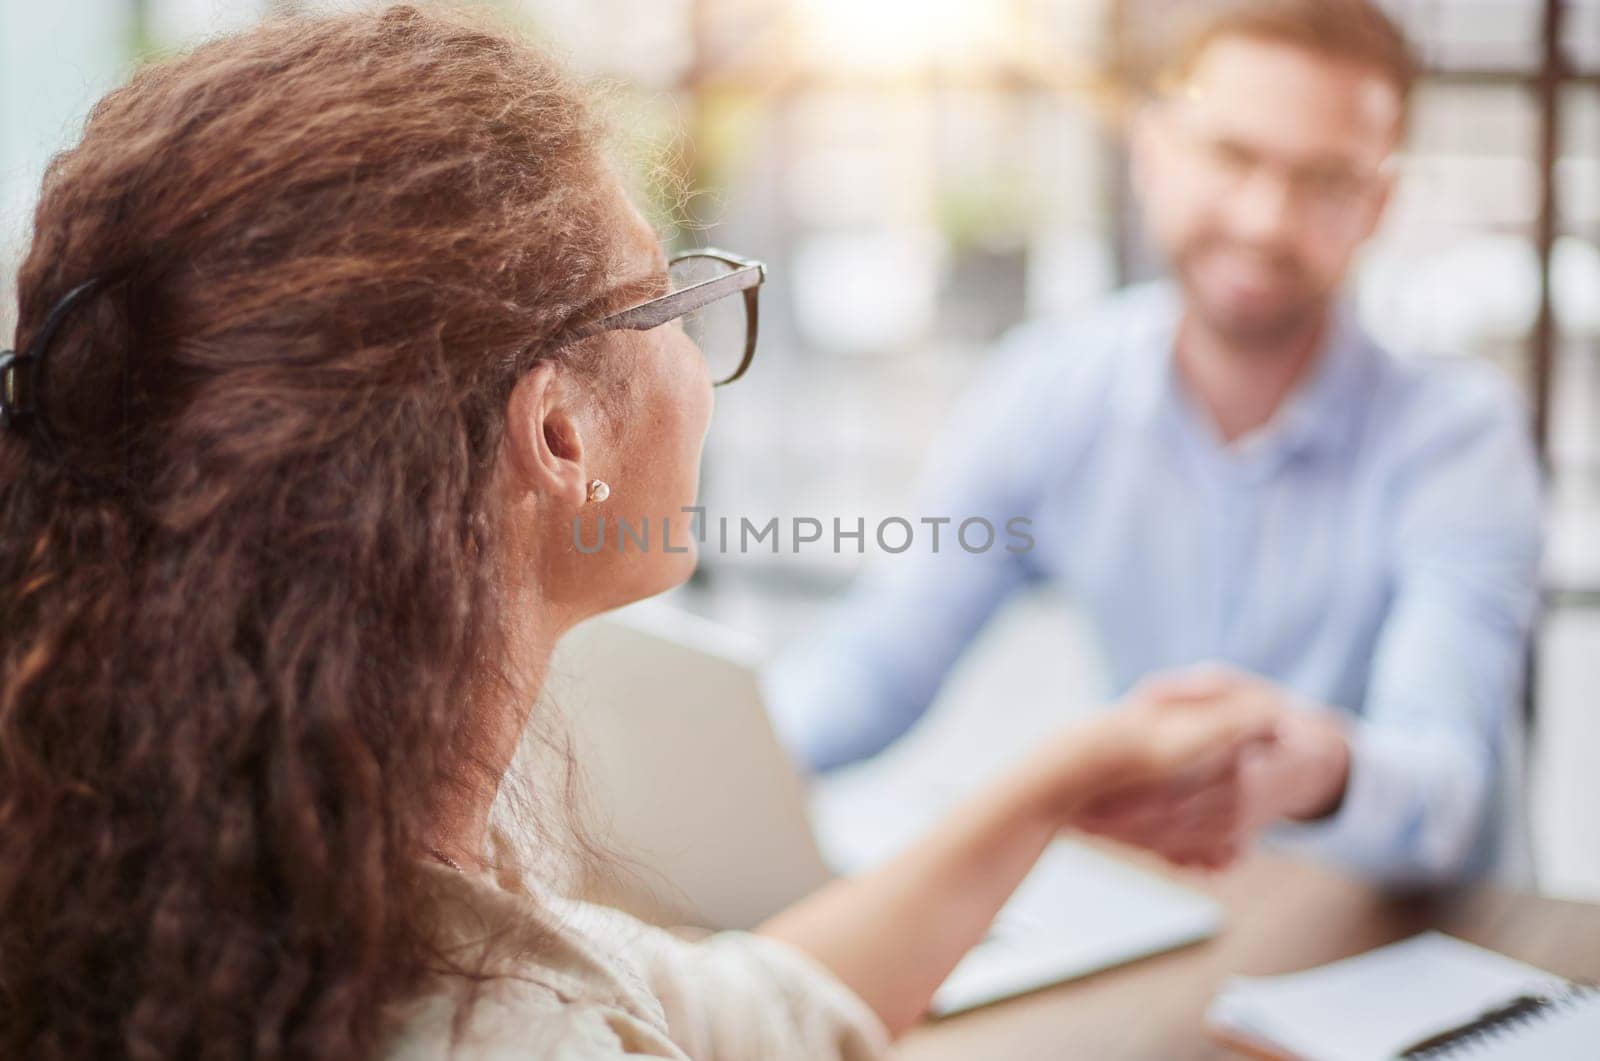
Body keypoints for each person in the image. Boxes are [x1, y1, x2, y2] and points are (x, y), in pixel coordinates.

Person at [0, 7, 1277, 1058]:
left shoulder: (197, 857)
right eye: (669, 296)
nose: (695, 342)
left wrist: (1053, 784)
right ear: (559, 434)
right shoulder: (507, 1032)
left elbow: (744, 1011)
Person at [767, 0, 1543, 887]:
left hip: (1413, 947)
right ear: (1154, 150)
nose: (1263, 218)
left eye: (1324, 180)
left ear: (1378, 205)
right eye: (1231, 155)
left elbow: (1449, 787)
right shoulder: (1051, 388)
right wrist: (726, 762)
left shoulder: (1458, 437)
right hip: (1170, 921)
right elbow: (883, 661)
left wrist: (1320, 771)